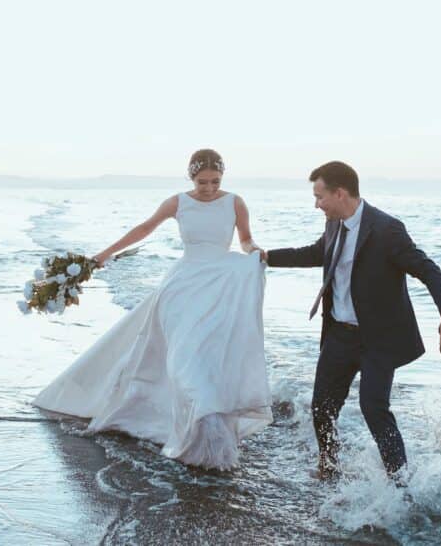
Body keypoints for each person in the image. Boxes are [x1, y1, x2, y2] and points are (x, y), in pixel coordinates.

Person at [33, 149, 271, 470]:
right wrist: (103, 254)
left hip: (218, 287)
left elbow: (245, 239)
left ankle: (208, 432)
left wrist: (255, 251)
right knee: (182, 357)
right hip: (182, 287)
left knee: (206, 358)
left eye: (215, 181)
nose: (209, 188)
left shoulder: (235, 202)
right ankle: (188, 426)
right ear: (191, 177)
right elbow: (144, 229)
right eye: (203, 182)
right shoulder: (177, 203)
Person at [263, 161, 441, 480]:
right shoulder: (334, 224)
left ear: (340, 193)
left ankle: (400, 481)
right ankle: (329, 468)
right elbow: (315, 253)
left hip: (377, 339)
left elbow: (426, 269)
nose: (317, 204)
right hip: (339, 335)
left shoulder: (386, 229)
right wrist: (267, 257)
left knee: (374, 408)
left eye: (319, 197)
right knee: (322, 407)